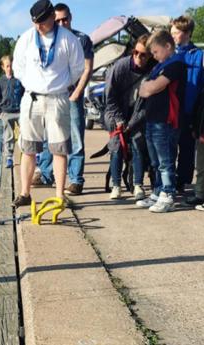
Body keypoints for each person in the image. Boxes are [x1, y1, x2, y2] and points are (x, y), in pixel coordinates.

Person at [12, 0, 84, 207]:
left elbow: (77, 68)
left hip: (57, 98)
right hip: (32, 98)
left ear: (52, 17)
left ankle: (60, 196)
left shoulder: (69, 40)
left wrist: (59, 85)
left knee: (59, 148)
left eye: (42, 22)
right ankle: (25, 193)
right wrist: (32, 84)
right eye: (35, 22)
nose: (38, 26)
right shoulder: (26, 39)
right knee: (28, 147)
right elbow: (18, 67)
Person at [32, 2, 94, 195]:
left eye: (64, 18)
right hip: (52, 97)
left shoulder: (81, 39)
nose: (61, 22)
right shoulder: (49, 39)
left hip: (72, 96)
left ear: (71, 17)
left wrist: (77, 92)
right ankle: (46, 174)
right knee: (50, 137)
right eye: (57, 19)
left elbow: (87, 68)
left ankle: (76, 180)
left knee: (75, 137)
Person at [137, 30, 186, 213]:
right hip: (152, 119)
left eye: (156, 52)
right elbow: (143, 89)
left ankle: (168, 194)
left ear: (167, 46)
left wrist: (148, 87)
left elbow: (152, 87)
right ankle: (157, 191)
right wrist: (147, 88)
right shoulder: (160, 66)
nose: (154, 57)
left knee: (165, 161)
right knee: (155, 161)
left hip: (165, 121)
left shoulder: (176, 64)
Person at [104, 34, 153, 200]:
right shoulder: (120, 67)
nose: (138, 56)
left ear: (150, 55)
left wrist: (131, 124)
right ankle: (116, 185)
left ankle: (138, 184)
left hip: (137, 114)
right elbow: (109, 99)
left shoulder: (153, 70)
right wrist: (119, 120)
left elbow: (148, 105)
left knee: (138, 143)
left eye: (143, 54)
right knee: (116, 146)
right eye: (135, 52)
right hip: (115, 112)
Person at [170, 15, 204, 203]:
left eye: (177, 32)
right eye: (172, 31)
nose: (173, 35)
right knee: (168, 148)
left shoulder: (199, 56)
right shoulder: (169, 53)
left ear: (188, 33)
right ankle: (166, 180)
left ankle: (182, 181)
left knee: (187, 148)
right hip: (169, 110)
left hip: (190, 111)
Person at [0, 55, 25, 168]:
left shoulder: (19, 79)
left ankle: (26, 154)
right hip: (6, 112)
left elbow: (25, 93)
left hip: (20, 111)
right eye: (7, 66)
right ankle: (9, 157)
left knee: (25, 133)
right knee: (8, 135)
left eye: (11, 66)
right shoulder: (0, 82)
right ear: (3, 67)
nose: (9, 68)